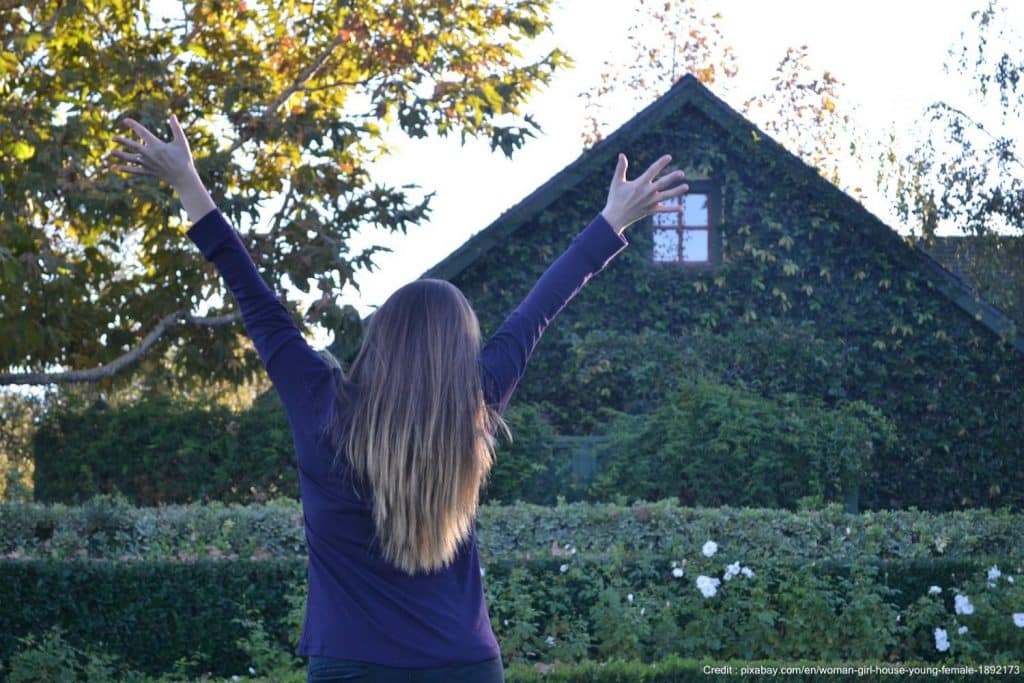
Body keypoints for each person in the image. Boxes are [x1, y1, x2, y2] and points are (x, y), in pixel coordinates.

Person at [111, 113, 688, 683]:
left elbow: (256, 300)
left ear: (380, 336)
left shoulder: (321, 403)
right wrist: (612, 219)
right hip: (465, 667)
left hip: (352, 666)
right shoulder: (473, 405)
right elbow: (535, 312)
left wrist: (188, 181)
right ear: (460, 353)